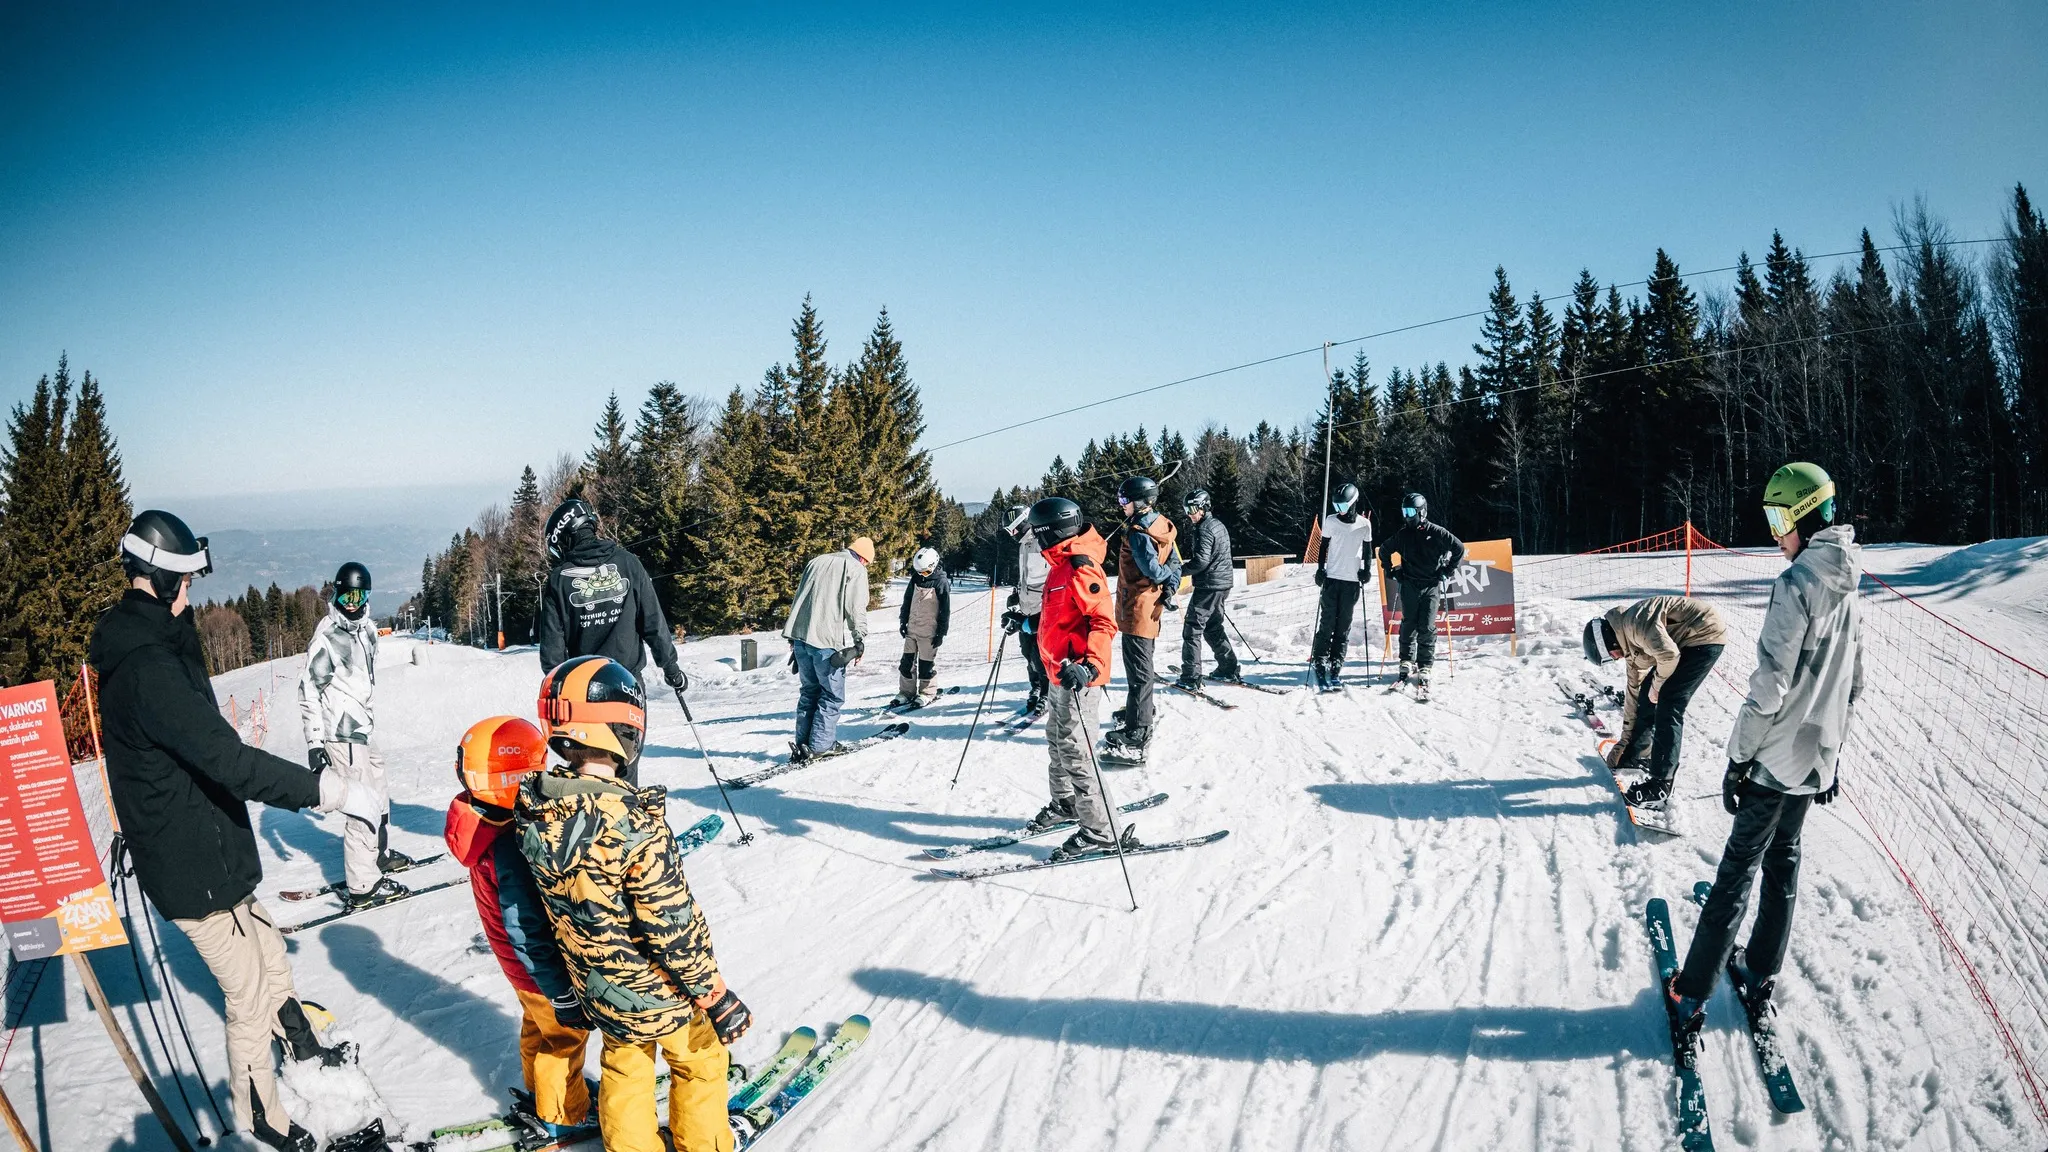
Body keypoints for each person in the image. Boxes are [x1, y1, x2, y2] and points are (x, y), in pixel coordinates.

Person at [92, 511, 376, 1152]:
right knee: (246, 996)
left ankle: (299, 1041)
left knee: (267, 947)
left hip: (207, 843)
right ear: (163, 579)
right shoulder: (148, 670)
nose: (193, 591)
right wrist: (323, 791)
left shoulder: (157, 642)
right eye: (186, 579)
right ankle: (262, 1124)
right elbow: (228, 759)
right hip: (189, 864)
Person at [518, 656, 751, 1152]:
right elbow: (673, 926)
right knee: (700, 1061)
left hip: (598, 986)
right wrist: (715, 995)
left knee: (626, 1066)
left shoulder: (537, 812)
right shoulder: (633, 824)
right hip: (657, 988)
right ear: (621, 728)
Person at [1669, 463, 1863, 1045]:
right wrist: (1831, 755)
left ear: (1804, 517)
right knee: (1784, 866)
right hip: (1811, 762)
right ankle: (1759, 973)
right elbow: (1854, 683)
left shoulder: (1798, 582)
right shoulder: (1848, 582)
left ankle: (1691, 992)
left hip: (1774, 758)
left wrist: (1737, 757)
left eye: (1780, 519)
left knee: (1737, 872)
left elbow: (1771, 685)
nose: (1776, 534)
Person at [445, 715, 593, 1143]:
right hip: (537, 966)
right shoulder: (510, 842)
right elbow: (525, 922)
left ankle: (541, 1091)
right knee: (566, 1035)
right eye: (534, 771)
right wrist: (559, 986)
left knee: (537, 1025)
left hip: (517, 967)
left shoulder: (481, 823)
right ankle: (561, 1112)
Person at [300, 561, 418, 911]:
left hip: (363, 728)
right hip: (342, 733)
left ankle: (377, 852)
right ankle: (363, 883)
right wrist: (315, 744)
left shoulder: (366, 629)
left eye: (360, 594)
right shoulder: (327, 638)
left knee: (379, 789)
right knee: (360, 804)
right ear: (335, 592)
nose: (352, 602)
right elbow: (309, 691)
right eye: (346, 594)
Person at [538, 499, 688, 771]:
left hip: (582, 690)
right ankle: (624, 812)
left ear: (565, 537)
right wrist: (671, 667)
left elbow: (552, 652)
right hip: (628, 685)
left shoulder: (558, 580)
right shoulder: (629, 563)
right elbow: (653, 621)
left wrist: (556, 691)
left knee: (586, 767)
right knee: (625, 761)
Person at [1018, 499, 1131, 859]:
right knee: (1057, 744)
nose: (1035, 539)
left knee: (1077, 752)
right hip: (1057, 675)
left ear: (1053, 530)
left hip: (1078, 677)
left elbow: (1103, 622)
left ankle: (1102, 831)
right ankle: (1066, 803)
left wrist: (1091, 666)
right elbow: (1060, 617)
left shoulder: (1081, 566)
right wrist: (1027, 623)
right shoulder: (1059, 564)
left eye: (1038, 532)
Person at [1582, 596, 1727, 808]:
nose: (1616, 658)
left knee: (1669, 704)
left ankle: (1661, 784)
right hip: (1685, 642)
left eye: (1610, 655)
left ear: (1609, 641)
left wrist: (1658, 687)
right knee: (1646, 697)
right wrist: (1625, 743)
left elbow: (1668, 656)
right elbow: (1634, 693)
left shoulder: (1635, 623)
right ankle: (1637, 754)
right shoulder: (1629, 644)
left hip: (1704, 635)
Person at [1105, 476, 1180, 759]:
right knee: (1142, 664)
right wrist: (1169, 585)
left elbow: (1153, 569)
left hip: (1136, 608)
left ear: (1140, 502)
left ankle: (1139, 730)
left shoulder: (1138, 532)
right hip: (1150, 608)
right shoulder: (1163, 524)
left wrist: (1162, 578)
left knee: (1138, 672)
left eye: (1125, 501)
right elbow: (1174, 562)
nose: (1121, 505)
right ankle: (1140, 710)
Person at [781, 536, 873, 761]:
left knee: (809, 692)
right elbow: (856, 608)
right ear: (863, 558)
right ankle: (821, 745)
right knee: (832, 695)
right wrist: (859, 640)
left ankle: (803, 743)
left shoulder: (816, 561)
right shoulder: (855, 569)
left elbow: (800, 598)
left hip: (800, 638)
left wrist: (794, 640)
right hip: (825, 642)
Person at [1377, 492, 1465, 699]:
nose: (1406, 516)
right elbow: (1384, 551)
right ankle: (1406, 660)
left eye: (1410, 512)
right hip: (1409, 585)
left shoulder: (1436, 532)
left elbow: (1459, 548)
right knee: (1408, 623)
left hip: (1431, 586)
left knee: (1426, 625)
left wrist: (1448, 570)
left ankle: (1425, 664)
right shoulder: (1403, 534)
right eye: (1404, 512)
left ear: (1421, 512)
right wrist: (1391, 571)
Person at [1174, 488, 1240, 690]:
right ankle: (1228, 667)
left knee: (1192, 629)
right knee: (1213, 626)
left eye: (1192, 508)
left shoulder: (1205, 528)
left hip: (1209, 585)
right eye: (1186, 508)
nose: (1189, 513)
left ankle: (1191, 677)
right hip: (1221, 584)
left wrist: (1179, 570)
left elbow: (1201, 561)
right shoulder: (1217, 525)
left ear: (1203, 507)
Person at [1309, 482, 1374, 688]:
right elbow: (1323, 547)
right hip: (1332, 579)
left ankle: (1337, 661)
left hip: (1351, 582)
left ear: (1353, 504)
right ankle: (1320, 657)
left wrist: (1367, 570)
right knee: (1327, 622)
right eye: (1336, 507)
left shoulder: (1364, 524)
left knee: (1343, 625)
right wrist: (1320, 569)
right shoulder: (1330, 521)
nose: (1339, 512)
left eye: (1343, 507)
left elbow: (1367, 550)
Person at [1000, 507, 1052, 715]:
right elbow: (1025, 576)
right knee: (1027, 653)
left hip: (1043, 608)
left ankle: (1048, 693)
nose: (1012, 536)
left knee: (1041, 655)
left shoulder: (1042, 542)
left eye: (1014, 530)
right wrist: (1016, 595)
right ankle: (1036, 687)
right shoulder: (1024, 545)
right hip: (1026, 606)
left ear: (1024, 523)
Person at [893, 547, 952, 706]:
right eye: (919, 572)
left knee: (926, 665)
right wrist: (902, 621)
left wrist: (941, 633)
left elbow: (945, 610)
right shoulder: (916, 579)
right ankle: (906, 692)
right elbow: (907, 601)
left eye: (925, 572)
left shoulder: (941, 582)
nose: (922, 575)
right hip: (912, 629)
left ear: (934, 565)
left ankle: (927, 692)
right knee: (906, 663)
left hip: (929, 632)